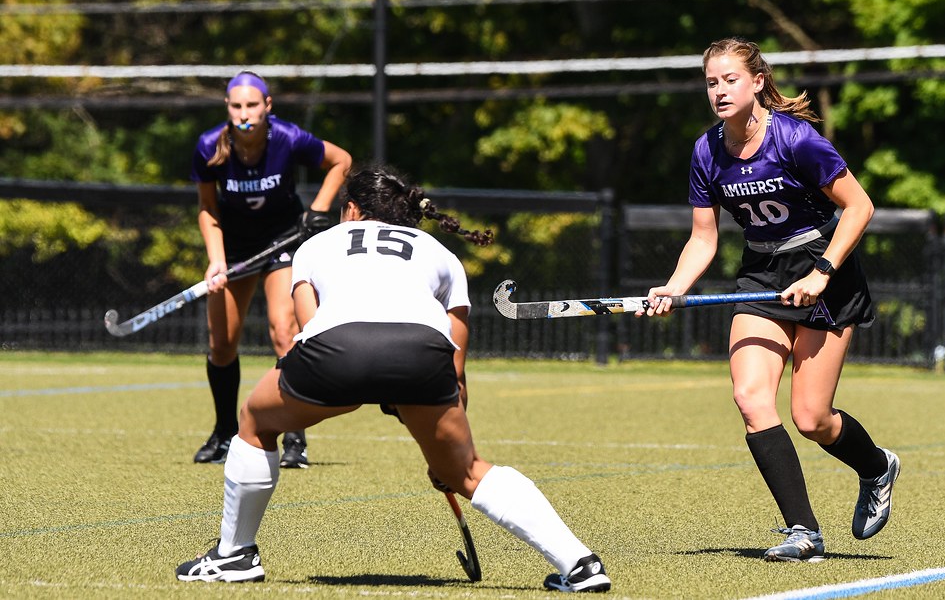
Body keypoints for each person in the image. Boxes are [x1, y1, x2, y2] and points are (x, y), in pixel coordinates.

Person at [174, 166, 612, 592]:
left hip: (336, 352)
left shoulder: (315, 245)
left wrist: (355, 384)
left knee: (255, 422)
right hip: (421, 356)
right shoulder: (442, 254)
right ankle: (580, 564)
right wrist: (442, 451)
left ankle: (234, 556)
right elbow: (455, 366)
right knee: (468, 469)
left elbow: (308, 330)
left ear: (351, 209)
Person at [638, 38, 899, 562]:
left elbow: (860, 207)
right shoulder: (706, 150)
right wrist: (674, 286)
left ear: (757, 82)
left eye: (730, 79)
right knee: (751, 397)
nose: (719, 91)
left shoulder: (795, 139)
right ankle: (804, 531)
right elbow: (704, 238)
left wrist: (822, 273)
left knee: (812, 419)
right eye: (711, 82)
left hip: (825, 269)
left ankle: (876, 467)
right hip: (761, 275)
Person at [190, 70, 353, 469]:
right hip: (235, 248)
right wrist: (216, 259)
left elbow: (341, 161)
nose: (244, 114)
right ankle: (224, 433)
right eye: (236, 106)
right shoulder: (209, 146)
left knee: (284, 330)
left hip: (283, 241)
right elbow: (208, 208)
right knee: (222, 343)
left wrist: (318, 209)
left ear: (267, 106)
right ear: (227, 107)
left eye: (252, 105)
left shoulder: (287, 137)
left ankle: (295, 437)